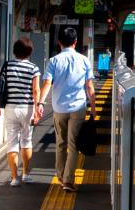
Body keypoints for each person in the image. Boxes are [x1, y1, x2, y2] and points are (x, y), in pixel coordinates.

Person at [39, 26, 95, 191]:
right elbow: (89, 86)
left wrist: (40, 103)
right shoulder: (84, 60)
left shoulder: (53, 61)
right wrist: (93, 107)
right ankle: (69, 181)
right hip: (78, 107)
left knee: (60, 143)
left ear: (59, 43)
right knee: (73, 145)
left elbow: (47, 83)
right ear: (75, 42)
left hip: (59, 108)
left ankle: (61, 176)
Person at [0, 37, 42, 187]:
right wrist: (36, 109)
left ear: (15, 51)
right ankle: (26, 174)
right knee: (26, 141)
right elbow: (35, 90)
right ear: (30, 52)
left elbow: (0, 87)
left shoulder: (7, 65)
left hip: (10, 107)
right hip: (27, 108)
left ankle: (14, 178)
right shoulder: (34, 68)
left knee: (12, 142)